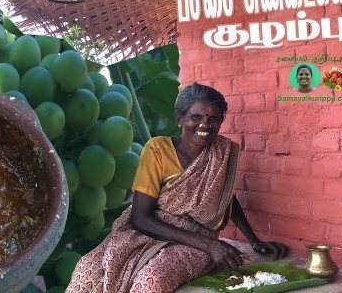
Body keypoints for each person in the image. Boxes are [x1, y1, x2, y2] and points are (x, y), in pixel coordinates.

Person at [66, 83, 288, 293]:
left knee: (152, 278)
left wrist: (254, 241)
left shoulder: (221, 153)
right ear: (179, 119)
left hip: (198, 236)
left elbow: (225, 198)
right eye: (196, 117)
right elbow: (140, 218)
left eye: (213, 118)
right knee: (88, 268)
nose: (205, 125)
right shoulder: (158, 150)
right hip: (152, 230)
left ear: (221, 122)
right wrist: (210, 245)